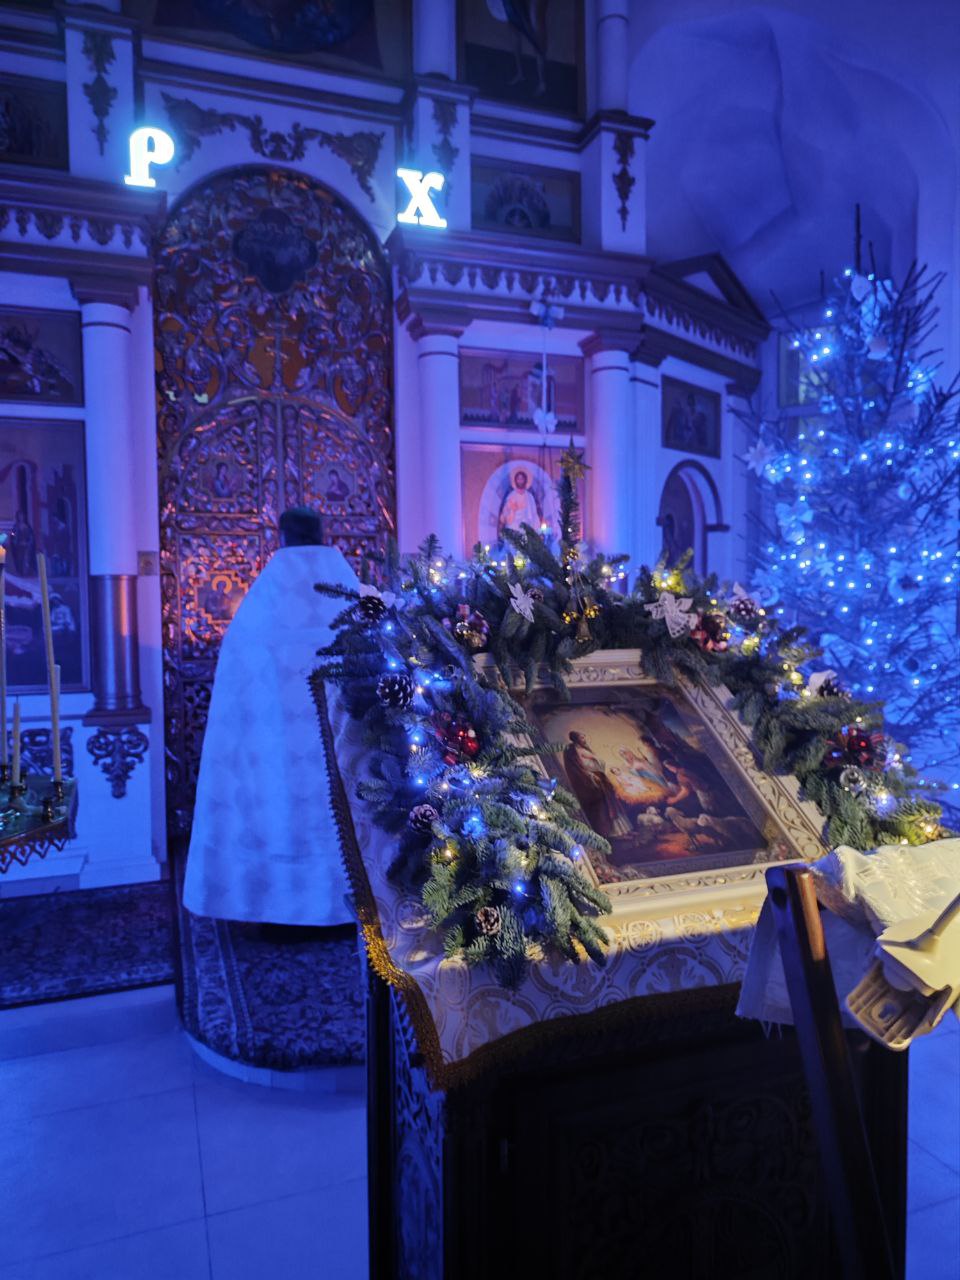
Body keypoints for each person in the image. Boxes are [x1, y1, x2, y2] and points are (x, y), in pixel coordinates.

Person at [183, 506, 358, 928]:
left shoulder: (261, 603)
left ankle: (277, 911)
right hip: (342, 747)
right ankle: (352, 907)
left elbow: (237, 683)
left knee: (279, 815)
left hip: (275, 751)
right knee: (343, 819)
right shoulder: (347, 591)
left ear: (282, 537)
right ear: (322, 534)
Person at [562, 730, 632, 838]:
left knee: (613, 804)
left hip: (600, 779)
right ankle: (616, 833)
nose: (584, 739)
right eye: (582, 737)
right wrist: (591, 776)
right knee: (606, 808)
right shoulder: (574, 751)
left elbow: (596, 761)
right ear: (576, 739)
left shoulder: (584, 749)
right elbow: (580, 768)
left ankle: (625, 830)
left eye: (584, 737)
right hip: (593, 782)